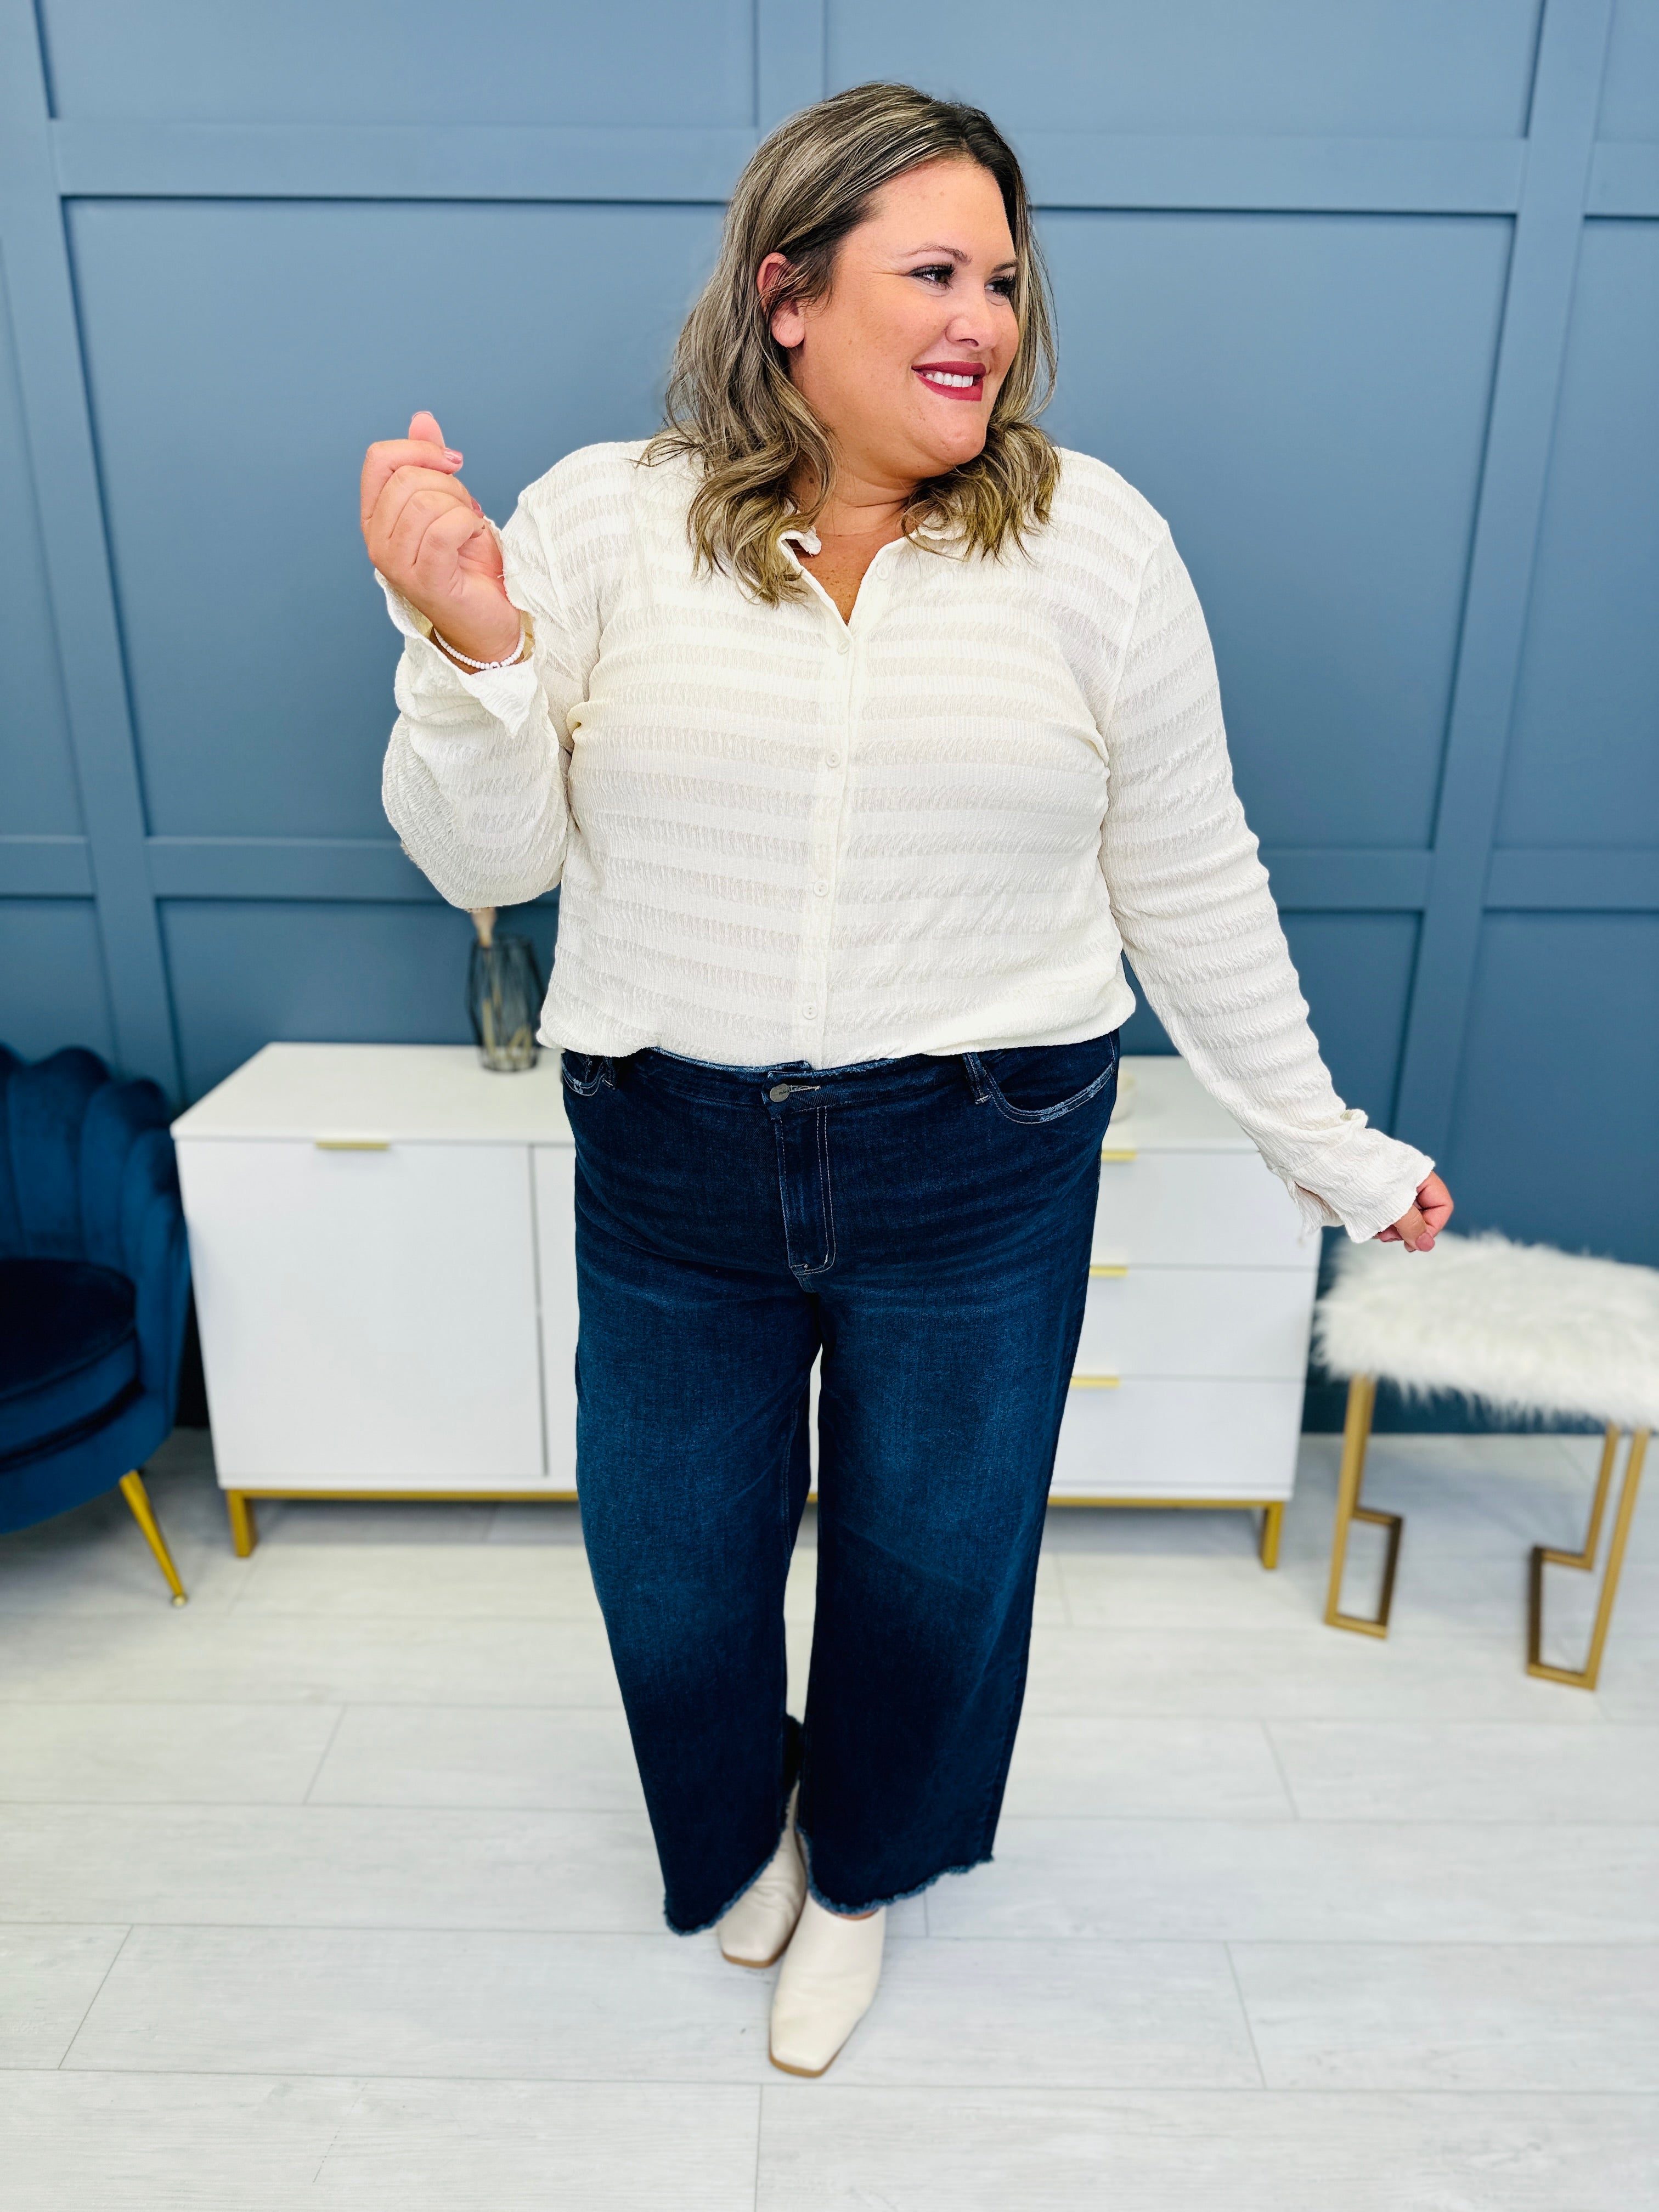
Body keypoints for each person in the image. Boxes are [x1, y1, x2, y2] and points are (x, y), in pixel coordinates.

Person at [360, 82, 1453, 2078]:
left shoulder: (1097, 545)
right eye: (935, 272)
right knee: (673, 1573)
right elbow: (487, 860)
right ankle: (737, 1840)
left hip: (983, 1150)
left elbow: (1190, 871)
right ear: (787, 294)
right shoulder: (600, 519)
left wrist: (1326, 1145)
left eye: (1006, 282)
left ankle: (862, 1874)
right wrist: (473, 648)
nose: (985, 321)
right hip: (671, 1151)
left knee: (934, 1571)